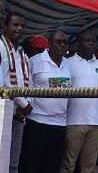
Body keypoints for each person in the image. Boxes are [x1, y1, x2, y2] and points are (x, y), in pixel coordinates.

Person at [60, 30, 98, 173]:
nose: (90, 44)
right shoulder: (67, 63)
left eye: (93, 41)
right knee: (68, 164)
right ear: (78, 43)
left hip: (97, 123)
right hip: (73, 121)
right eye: (86, 40)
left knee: (89, 167)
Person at [19, 30, 70, 173]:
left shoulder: (69, 64)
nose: (62, 45)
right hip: (37, 122)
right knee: (32, 166)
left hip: (60, 124)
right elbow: (24, 86)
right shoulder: (35, 61)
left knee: (52, 167)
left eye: (65, 42)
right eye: (58, 42)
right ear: (49, 44)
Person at [0, 12, 33, 173]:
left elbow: (29, 82)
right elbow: (3, 81)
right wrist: (24, 103)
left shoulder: (22, 53)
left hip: (19, 115)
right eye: (15, 25)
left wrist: (28, 104)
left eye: (22, 25)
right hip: (3, 112)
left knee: (13, 163)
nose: (19, 28)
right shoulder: (0, 47)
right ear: (5, 27)